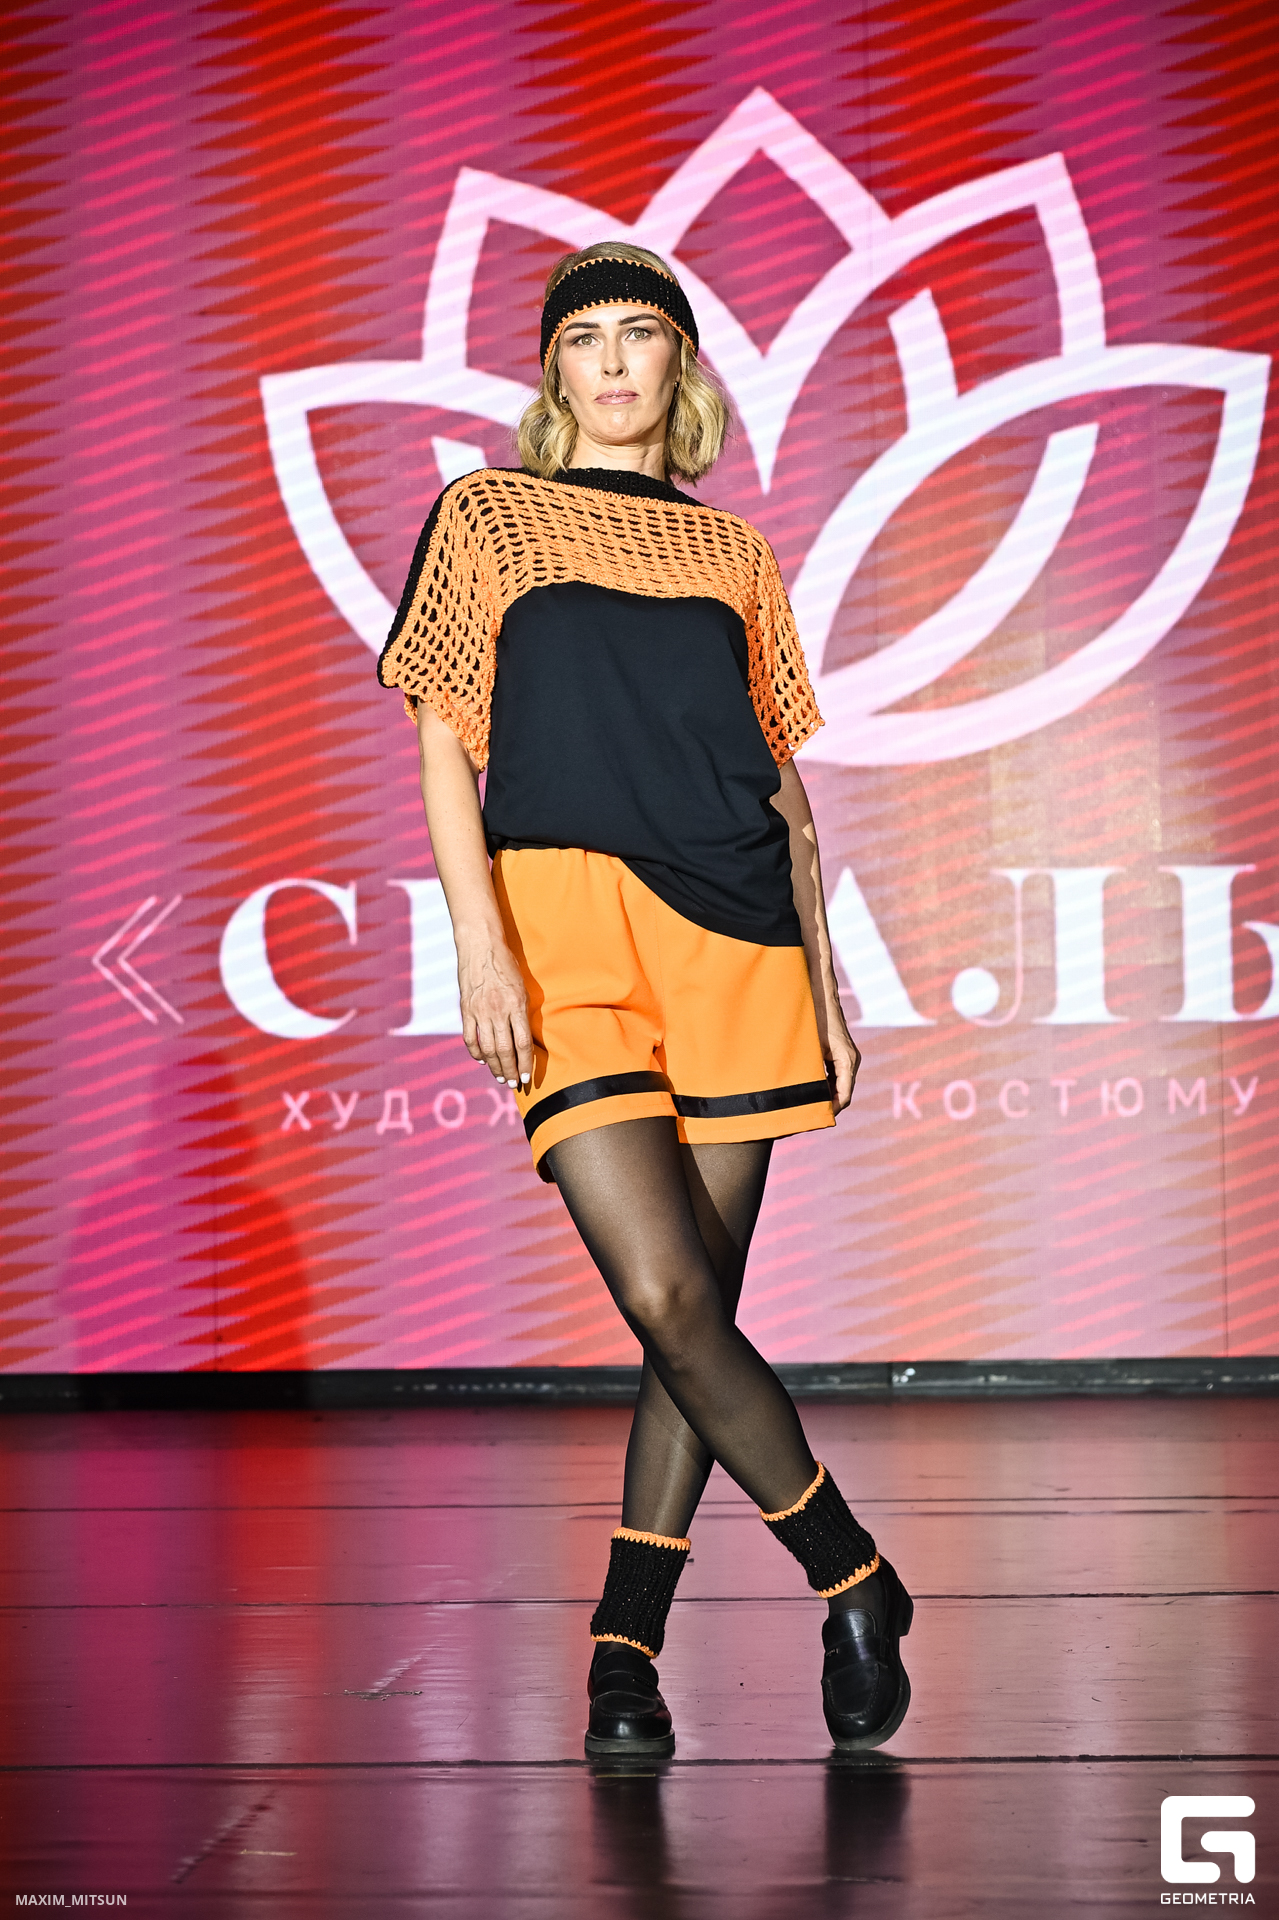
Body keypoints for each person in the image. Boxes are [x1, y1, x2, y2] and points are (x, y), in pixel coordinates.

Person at [378, 241, 912, 1758]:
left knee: (696, 1320)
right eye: (586, 339)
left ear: (681, 365)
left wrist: (830, 987)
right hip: (566, 937)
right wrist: (480, 947)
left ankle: (624, 1651)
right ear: (554, 373)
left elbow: (785, 792)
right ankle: (855, 1576)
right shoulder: (486, 517)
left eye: (642, 336)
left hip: (738, 940)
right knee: (667, 1296)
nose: (614, 362)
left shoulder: (734, 553)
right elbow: (443, 739)